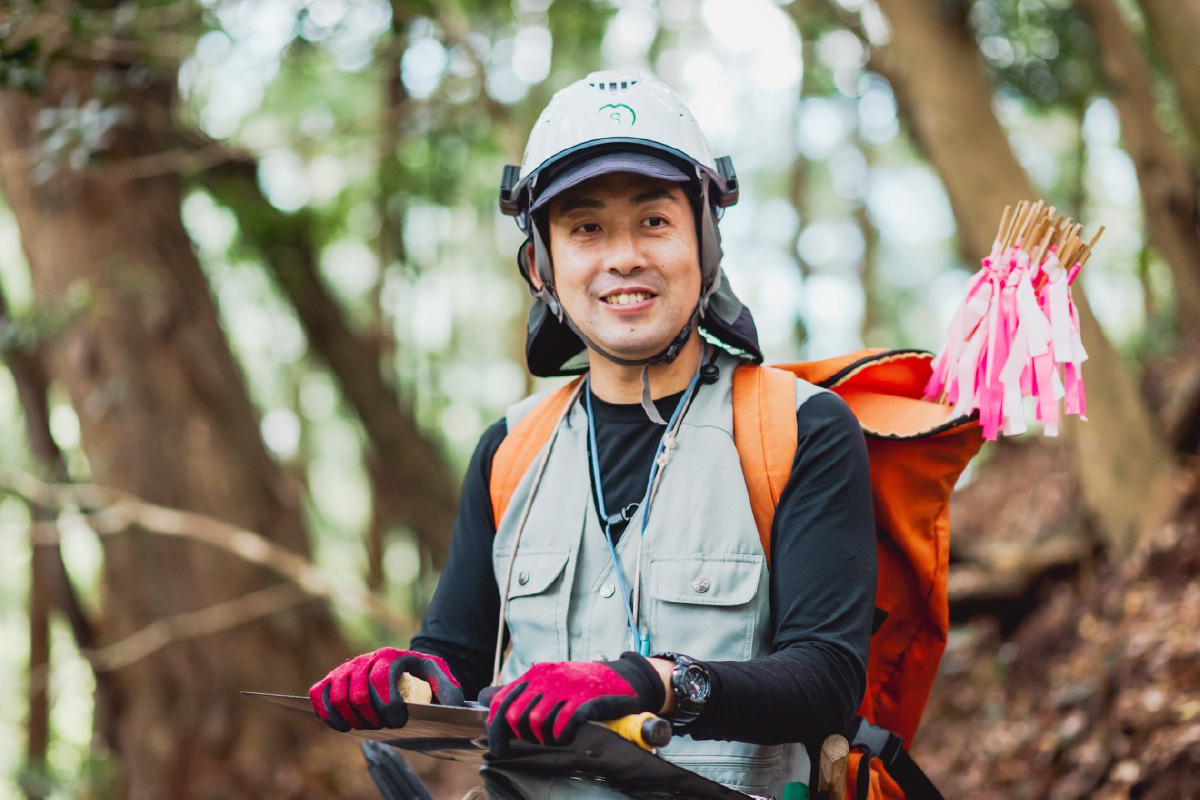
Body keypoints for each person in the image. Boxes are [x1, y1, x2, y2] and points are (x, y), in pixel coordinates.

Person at [309, 70, 877, 797]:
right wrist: (409, 677)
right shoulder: (509, 450)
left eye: (654, 220)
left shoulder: (799, 428)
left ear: (703, 239)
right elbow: (453, 657)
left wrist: (652, 682)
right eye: (585, 228)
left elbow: (825, 679)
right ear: (542, 264)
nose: (622, 258)